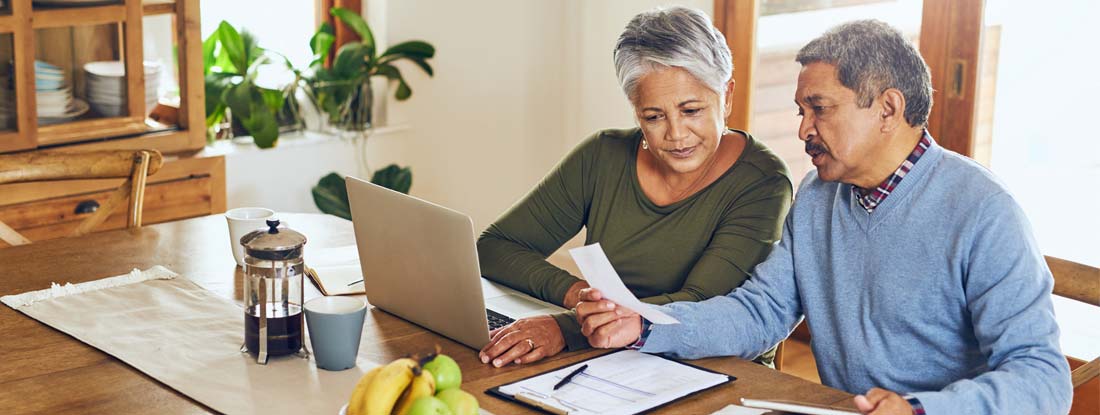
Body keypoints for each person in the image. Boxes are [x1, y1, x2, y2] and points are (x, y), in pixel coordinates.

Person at [575, 19, 1072, 415]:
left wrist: (920, 410)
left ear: (888, 108)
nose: (803, 130)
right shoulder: (818, 195)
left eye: (819, 109)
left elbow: (1043, 379)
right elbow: (761, 312)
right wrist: (644, 326)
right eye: (800, 111)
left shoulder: (983, 210)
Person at [475, 6, 793, 368]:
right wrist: (582, 298)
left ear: (727, 95)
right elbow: (495, 248)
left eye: (691, 111)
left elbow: (703, 304)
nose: (675, 134)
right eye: (653, 116)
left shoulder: (762, 181)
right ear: (635, 109)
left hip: (713, 369)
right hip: (610, 360)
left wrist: (568, 328)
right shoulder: (603, 155)